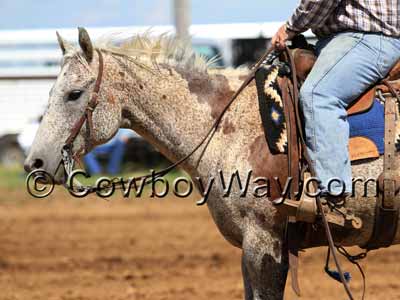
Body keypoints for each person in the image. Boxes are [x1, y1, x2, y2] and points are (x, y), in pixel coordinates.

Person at [271, 1, 400, 197]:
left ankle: (333, 193)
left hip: (365, 38)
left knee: (318, 95)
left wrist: (290, 28)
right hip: (354, 39)